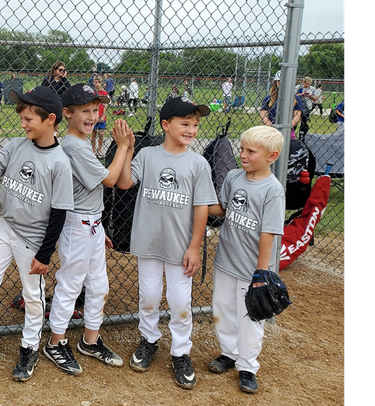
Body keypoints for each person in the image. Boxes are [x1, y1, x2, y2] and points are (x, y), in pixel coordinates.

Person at [0, 86, 74, 383]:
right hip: (6, 227)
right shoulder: (16, 145)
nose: (23, 124)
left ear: (50, 119)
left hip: (33, 238)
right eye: (22, 118)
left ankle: (29, 347)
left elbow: (59, 213)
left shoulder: (60, 163)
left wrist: (44, 254)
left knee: (32, 296)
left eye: (28, 119)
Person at [116, 97, 218, 390]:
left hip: (180, 245)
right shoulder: (148, 156)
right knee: (148, 296)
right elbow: (124, 183)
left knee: (180, 302)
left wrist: (194, 246)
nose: (192, 129)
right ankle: (149, 339)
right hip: (149, 240)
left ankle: (181, 352)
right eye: (185, 123)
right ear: (166, 125)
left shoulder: (198, 163)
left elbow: (201, 207)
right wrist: (128, 148)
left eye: (195, 124)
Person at [43, 84, 132, 376]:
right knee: (70, 285)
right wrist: (121, 147)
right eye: (85, 111)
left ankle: (90, 341)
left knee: (99, 287)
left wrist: (99, 228)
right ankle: (56, 343)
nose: (93, 115)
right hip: (77, 225)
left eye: (95, 110)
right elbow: (109, 180)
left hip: (91, 224)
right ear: (66, 114)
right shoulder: (72, 145)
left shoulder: (81, 143)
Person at [205, 125, 286, 394]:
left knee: (250, 317)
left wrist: (261, 274)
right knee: (222, 308)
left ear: (271, 156)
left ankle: (248, 366)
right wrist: (198, 204)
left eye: (251, 151)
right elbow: (224, 210)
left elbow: (268, 234)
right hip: (226, 260)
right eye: (241, 149)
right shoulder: (233, 177)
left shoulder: (272, 190)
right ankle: (229, 352)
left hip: (252, 268)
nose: (243, 155)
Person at [91, 76, 110, 159]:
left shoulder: (104, 93)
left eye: (98, 82)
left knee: (101, 133)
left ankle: (99, 150)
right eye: (95, 82)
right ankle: (93, 150)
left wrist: (103, 116)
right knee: (94, 133)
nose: (97, 84)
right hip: (94, 116)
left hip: (102, 116)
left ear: (101, 83)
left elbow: (106, 105)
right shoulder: (92, 93)